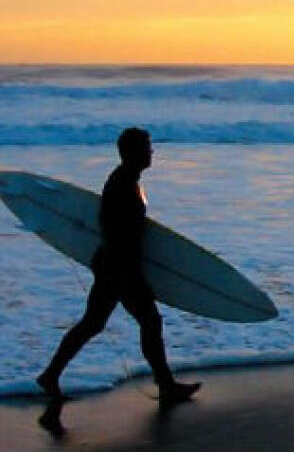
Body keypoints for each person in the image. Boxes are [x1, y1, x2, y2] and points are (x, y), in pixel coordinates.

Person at [36, 127, 200, 404]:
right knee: (147, 321)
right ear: (133, 152)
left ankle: (51, 374)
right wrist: (127, 271)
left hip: (114, 265)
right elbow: (112, 228)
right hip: (119, 266)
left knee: (94, 323)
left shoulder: (126, 179)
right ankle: (166, 385)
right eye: (147, 148)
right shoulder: (122, 183)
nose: (152, 152)